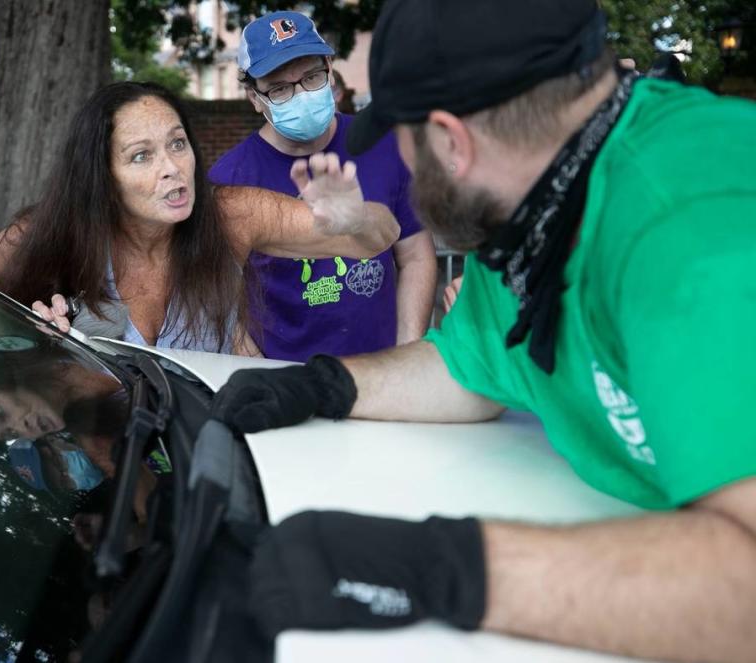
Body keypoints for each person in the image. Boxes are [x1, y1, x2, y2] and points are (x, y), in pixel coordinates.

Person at [210, 1, 756, 661]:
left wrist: (444, 567)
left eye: (400, 137)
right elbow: (469, 364)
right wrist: (326, 383)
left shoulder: (696, 233)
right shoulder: (539, 195)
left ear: (451, 141)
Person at [0, 81, 399, 355]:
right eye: (141, 156)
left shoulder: (232, 214)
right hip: (105, 468)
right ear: (101, 177)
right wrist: (24, 333)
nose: (172, 167)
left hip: (208, 457)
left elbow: (379, 237)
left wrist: (353, 218)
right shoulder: (60, 233)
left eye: (177, 144)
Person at [209, 11, 437, 361]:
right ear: (255, 98)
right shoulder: (230, 180)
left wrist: (405, 355)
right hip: (284, 377)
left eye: (312, 77)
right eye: (280, 88)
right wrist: (259, 374)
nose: (301, 95)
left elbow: (416, 255)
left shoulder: (384, 145)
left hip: (380, 373)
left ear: (330, 70)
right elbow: (219, 294)